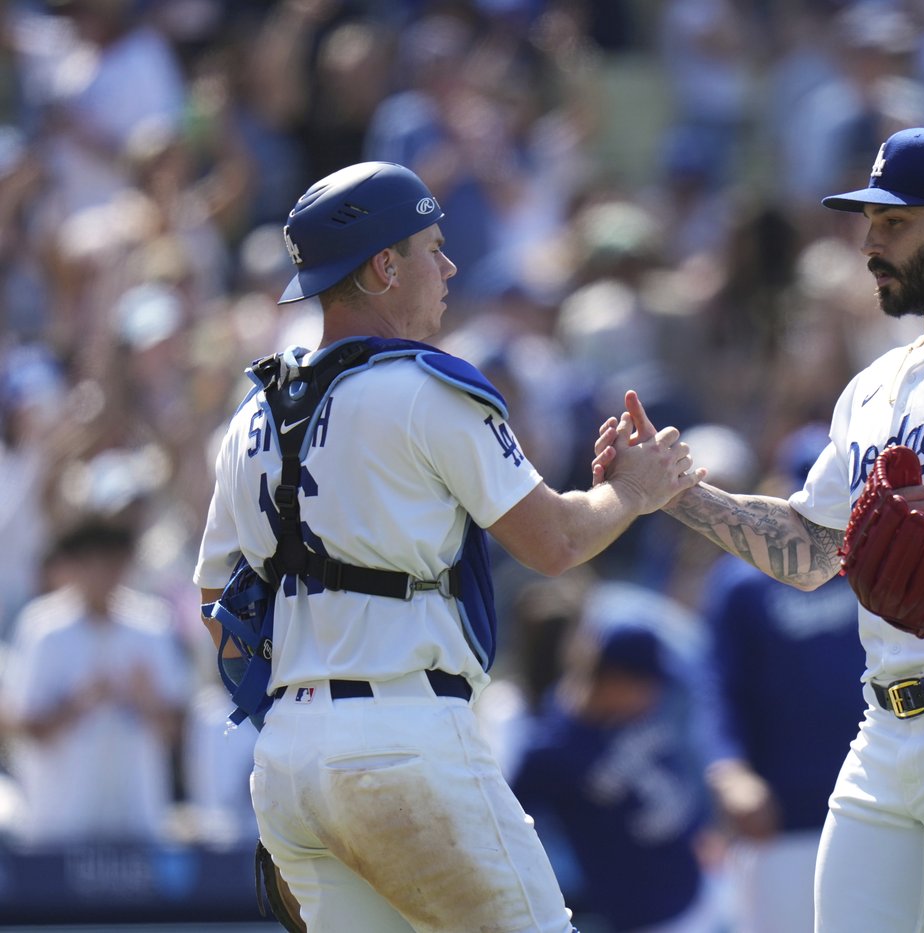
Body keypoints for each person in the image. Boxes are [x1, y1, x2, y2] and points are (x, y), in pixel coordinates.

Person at [594, 126, 924, 932]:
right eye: (869, 222)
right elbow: (816, 550)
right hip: (887, 728)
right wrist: (675, 496)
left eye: (896, 222)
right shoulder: (876, 388)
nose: (870, 242)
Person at [193, 161, 702, 933]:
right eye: (432, 246)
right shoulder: (426, 386)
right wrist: (632, 491)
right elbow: (556, 541)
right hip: (402, 738)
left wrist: (312, 712)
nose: (449, 265)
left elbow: (213, 604)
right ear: (382, 265)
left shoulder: (252, 414)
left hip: (289, 760)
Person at [698, 424, 866, 933]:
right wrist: (728, 770)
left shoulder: (879, 565)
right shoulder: (742, 584)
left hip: (879, 803)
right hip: (782, 817)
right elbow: (719, 688)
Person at [511, 614, 720, 933]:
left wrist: (700, 827)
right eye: (645, 684)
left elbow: (676, 776)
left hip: (698, 888)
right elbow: (510, 827)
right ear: (613, 680)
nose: (655, 694)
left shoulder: (638, 715)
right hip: (638, 916)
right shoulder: (551, 749)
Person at [0, 516, 189, 845]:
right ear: (73, 566)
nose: (103, 574)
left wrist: (143, 700)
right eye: (92, 563)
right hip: (59, 827)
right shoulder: (43, 628)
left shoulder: (152, 625)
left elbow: (175, 729)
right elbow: (19, 724)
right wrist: (77, 703)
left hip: (138, 823)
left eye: (112, 561)